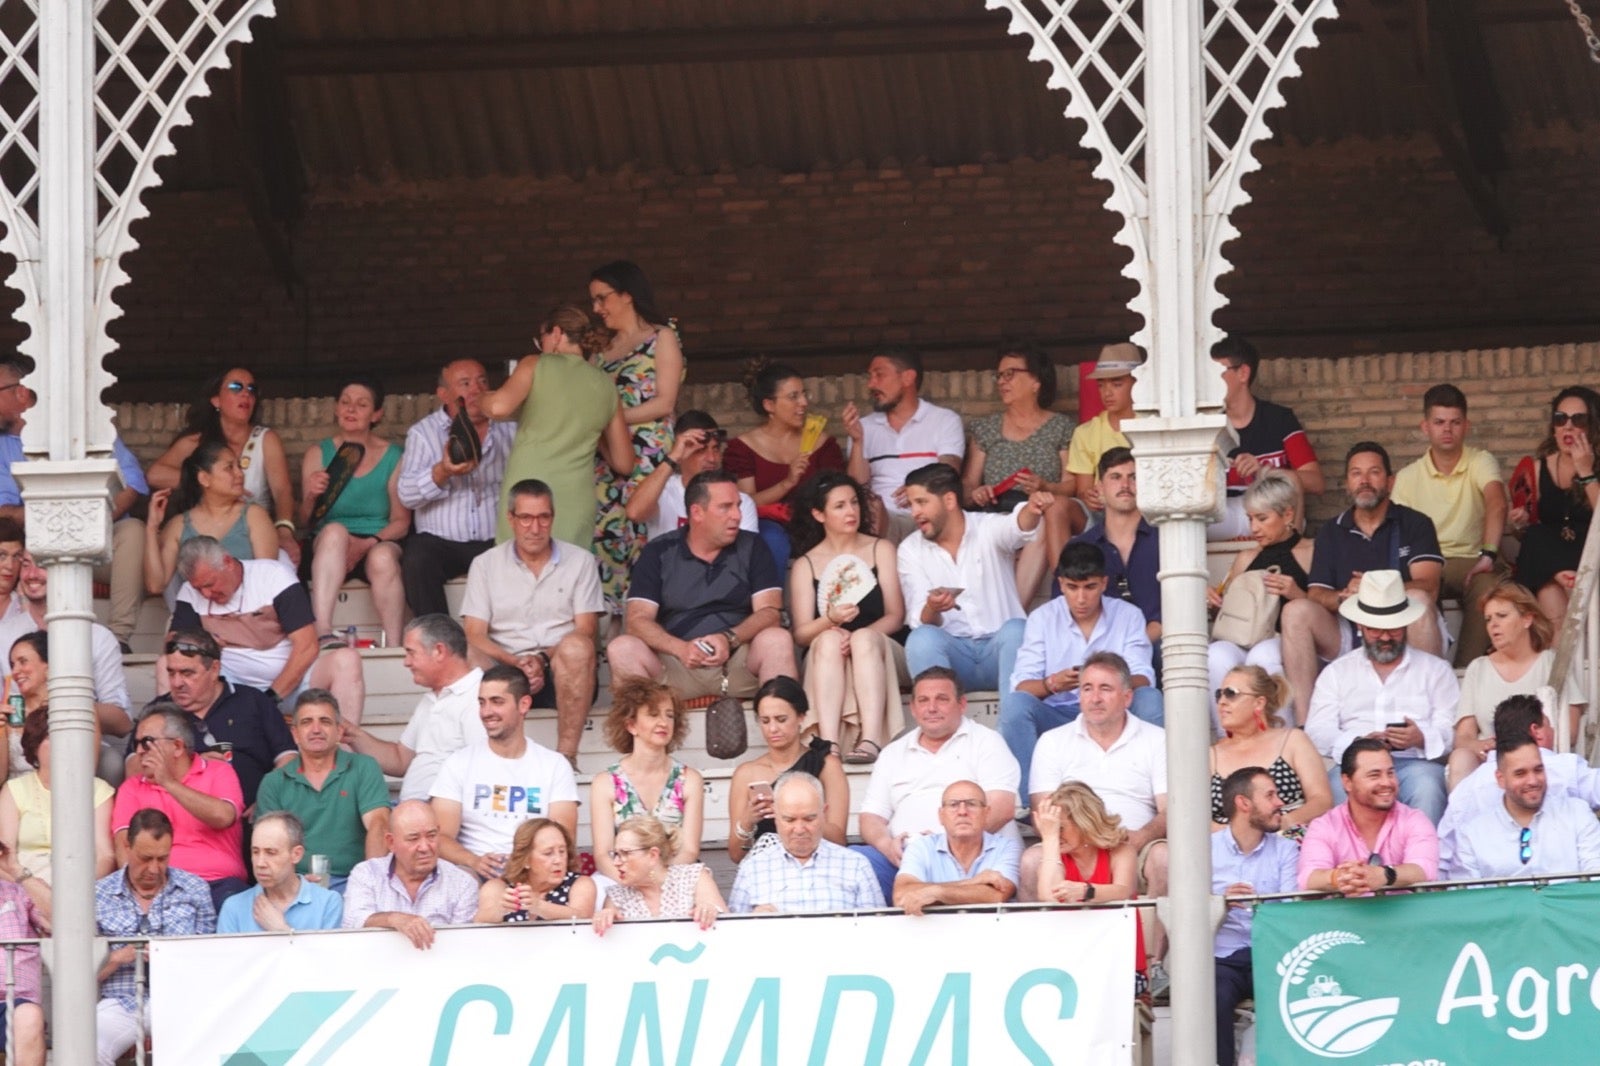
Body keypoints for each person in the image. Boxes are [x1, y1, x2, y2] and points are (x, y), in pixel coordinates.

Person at [1022, 652, 1169, 987]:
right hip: (1070, 841)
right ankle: (1040, 962)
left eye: (1105, 688)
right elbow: (1043, 809)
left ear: (1127, 696)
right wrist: (1078, 839)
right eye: (1087, 688)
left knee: (1164, 857)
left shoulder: (1155, 739)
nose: (1094, 697)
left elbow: (1169, 810)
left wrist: (1139, 837)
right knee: (1031, 860)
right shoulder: (1053, 741)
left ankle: (1152, 967)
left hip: (1134, 840)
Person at [1280, 442, 1445, 724]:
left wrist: (1372, 587)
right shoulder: (1332, 531)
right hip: (1351, 629)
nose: (1364, 481)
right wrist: (1342, 598)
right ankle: (1306, 725)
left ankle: (1424, 720)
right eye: (1356, 474)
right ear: (1347, 483)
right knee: (1295, 610)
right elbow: (1316, 592)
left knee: (1418, 599)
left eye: (1374, 473)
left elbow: (1428, 585)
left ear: (1390, 481)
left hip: (1405, 628)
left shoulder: (1415, 523)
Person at [607, 471, 797, 700]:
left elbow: (770, 613)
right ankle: (639, 734)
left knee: (777, 639)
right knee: (622, 647)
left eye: (738, 505)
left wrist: (728, 638)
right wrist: (680, 649)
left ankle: (781, 724)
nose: (737, 515)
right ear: (697, 512)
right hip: (676, 666)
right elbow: (637, 622)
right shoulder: (659, 552)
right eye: (726, 507)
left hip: (738, 663)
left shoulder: (753, 546)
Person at [461, 478, 602, 767]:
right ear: (511, 519)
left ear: (553, 517)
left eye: (543, 518)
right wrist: (515, 662)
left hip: (560, 670)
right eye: (525, 518)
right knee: (464, 651)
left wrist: (540, 659)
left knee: (577, 646)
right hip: (504, 671)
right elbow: (474, 633)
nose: (535, 528)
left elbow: (587, 629)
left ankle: (566, 759)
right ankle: (486, 759)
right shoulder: (485, 564)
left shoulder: (581, 561)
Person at [1002, 542, 1162, 789]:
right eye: (1072, 587)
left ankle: (1157, 789)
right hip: (1059, 714)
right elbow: (1022, 686)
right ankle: (1027, 801)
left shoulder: (1128, 614)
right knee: (1015, 705)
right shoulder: (1042, 618)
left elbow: (1143, 677)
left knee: (1149, 698)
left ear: (1104, 583)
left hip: (1114, 710)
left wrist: (1106, 684)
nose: (1081, 598)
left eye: (1090, 587)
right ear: (1061, 584)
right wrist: (1052, 684)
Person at [855, 667, 1021, 902]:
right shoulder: (893, 753)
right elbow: (870, 817)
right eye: (923, 700)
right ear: (912, 708)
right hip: (905, 859)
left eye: (942, 699)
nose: (931, 708)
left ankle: (944, 890)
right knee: (857, 859)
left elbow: (1002, 808)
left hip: (972, 856)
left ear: (962, 704)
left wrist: (945, 844)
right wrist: (886, 845)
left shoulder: (987, 741)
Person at [1304, 570, 1457, 824]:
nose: (1385, 637)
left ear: (1406, 625)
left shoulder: (1436, 671)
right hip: (1357, 766)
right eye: (1376, 630)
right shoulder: (1337, 672)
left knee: (1429, 787)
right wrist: (1357, 743)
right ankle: (1353, 863)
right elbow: (1317, 731)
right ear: (1361, 626)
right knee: (1339, 785)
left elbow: (1452, 730)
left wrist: (1421, 737)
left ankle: (1422, 863)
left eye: (1393, 629)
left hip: (1415, 766)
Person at [171, 536, 366, 726]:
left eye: (209, 584)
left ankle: (346, 750)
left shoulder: (273, 576)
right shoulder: (189, 592)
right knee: (167, 663)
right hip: (230, 690)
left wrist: (269, 700)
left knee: (347, 660)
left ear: (227, 562)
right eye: (199, 589)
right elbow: (173, 645)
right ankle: (178, 739)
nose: (206, 594)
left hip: (293, 688)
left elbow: (307, 646)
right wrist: (204, 643)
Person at [483, 305, 634, 548]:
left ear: (555, 334)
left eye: (540, 339)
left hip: (527, 495)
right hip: (575, 499)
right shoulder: (605, 385)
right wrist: (592, 429)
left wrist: (481, 398)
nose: (539, 346)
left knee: (518, 574)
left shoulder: (536, 364)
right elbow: (624, 462)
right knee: (568, 575)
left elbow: (499, 407)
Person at [787, 471, 907, 762]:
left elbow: (896, 615)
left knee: (864, 638)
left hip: (883, 645)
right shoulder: (806, 564)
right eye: (839, 506)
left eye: (854, 503)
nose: (851, 511)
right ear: (819, 514)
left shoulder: (881, 549)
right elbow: (802, 634)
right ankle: (829, 744)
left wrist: (855, 637)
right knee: (827, 640)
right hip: (828, 650)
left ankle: (871, 739)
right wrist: (830, 619)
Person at [898, 461, 1049, 691]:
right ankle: (938, 723)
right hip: (954, 662)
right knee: (922, 639)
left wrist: (1032, 508)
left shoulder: (987, 527)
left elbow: (1017, 527)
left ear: (949, 500)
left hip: (1000, 654)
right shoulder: (909, 549)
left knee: (1016, 630)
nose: (914, 513)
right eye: (911, 504)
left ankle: (1013, 724)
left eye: (921, 502)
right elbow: (921, 620)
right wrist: (932, 607)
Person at [589, 262, 684, 613]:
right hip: (606, 461)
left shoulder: (662, 336)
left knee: (647, 539)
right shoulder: (601, 351)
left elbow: (665, 401)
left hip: (649, 457)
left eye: (602, 298)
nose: (597, 309)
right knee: (607, 540)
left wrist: (611, 419)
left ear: (627, 294)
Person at [1391, 384, 1508, 665]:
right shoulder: (1407, 477)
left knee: (1489, 586)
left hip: (1471, 561)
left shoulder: (1481, 461)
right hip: (1425, 562)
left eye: (1455, 422)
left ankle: (1465, 671)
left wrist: (1488, 554)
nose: (1447, 429)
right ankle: (1430, 674)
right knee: (1413, 588)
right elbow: (1396, 531)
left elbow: (1497, 502)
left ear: (1466, 426)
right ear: (1425, 427)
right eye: (1439, 422)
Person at [429, 666, 579, 880]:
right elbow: (440, 837)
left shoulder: (554, 765)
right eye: (482, 702)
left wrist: (523, 867)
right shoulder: (458, 763)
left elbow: (563, 839)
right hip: (473, 873)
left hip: (535, 874)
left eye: (497, 702)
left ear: (524, 704)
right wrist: (475, 861)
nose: (486, 712)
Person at [95, 808, 215, 1066]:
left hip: (180, 999)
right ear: (126, 846)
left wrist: (174, 958)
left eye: (162, 859)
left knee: (203, 1044)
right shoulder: (99, 894)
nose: (154, 868)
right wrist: (118, 958)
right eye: (145, 857)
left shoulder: (195, 889)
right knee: (88, 1047)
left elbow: (210, 963)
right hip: (121, 1002)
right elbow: (82, 976)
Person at [397, 358, 516, 617]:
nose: (476, 389)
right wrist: (443, 471)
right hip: (441, 542)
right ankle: (438, 639)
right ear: (444, 394)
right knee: (417, 558)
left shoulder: (510, 429)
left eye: (482, 380)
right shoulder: (423, 433)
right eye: (465, 383)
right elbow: (406, 495)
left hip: (494, 540)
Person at [297, 375, 410, 648]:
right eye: (345, 403)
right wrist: (312, 494)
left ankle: (394, 646)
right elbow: (304, 520)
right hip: (330, 545)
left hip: (378, 538)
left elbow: (401, 522)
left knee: (383, 557)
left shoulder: (394, 455)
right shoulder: (318, 452)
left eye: (361, 404)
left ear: (376, 413)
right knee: (335, 531)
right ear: (336, 409)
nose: (351, 409)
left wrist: (368, 543)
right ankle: (323, 631)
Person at [146, 366, 299, 565]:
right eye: (236, 387)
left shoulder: (266, 439)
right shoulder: (196, 442)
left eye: (251, 389)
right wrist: (208, 480)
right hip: (203, 535)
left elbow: (283, 491)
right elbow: (155, 475)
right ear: (216, 400)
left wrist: (284, 530)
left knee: (284, 568)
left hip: (254, 533)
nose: (245, 393)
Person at [0, 552, 133, 779]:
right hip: (13, 741)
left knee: (111, 762)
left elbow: (123, 723)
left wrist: (63, 705)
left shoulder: (97, 637)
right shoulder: (4, 633)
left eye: (42, 565)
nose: (32, 574)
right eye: (26, 565)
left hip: (76, 739)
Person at [963, 343, 1079, 596]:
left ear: (1036, 380)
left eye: (1010, 374)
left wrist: (1045, 486)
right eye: (1000, 375)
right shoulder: (986, 429)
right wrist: (977, 493)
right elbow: (968, 484)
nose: (1002, 381)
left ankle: (1014, 612)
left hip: (1038, 511)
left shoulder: (1061, 427)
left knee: (1040, 526)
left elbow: (1072, 485)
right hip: (996, 513)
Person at [1439, 694, 1600, 872]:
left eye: (1538, 770)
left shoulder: (1464, 791)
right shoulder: (1565, 767)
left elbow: (1444, 860)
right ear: (1536, 731)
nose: (1532, 780)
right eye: (1520, 773)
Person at [1206, 469, 1315, 728]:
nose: (1254, 528)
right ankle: (1227, 736)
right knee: (1216, 655)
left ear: (1288, 514)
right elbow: (1227, 613)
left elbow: (1326, 609)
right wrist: (1212, 601)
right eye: (1250, 518)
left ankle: (1281, 736)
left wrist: (1296, 594)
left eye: (1262, 518)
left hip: (1287, 641)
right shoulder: (1246, 557)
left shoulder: (1311, 552)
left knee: (1263, 656)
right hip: (1243, 637)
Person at [1449, 581, 1582, 790]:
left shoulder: (1551, 662)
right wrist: (1481, 746)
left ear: (1527, 619)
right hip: (1490, 764)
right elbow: (1464, 737)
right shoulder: (1478, 667)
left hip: (1538, 763)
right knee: (1460, 758)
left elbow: (1570, 730)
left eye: (1501, 616)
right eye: (1488, 619)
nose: (1493, 624)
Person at [255, 690, 390, 893]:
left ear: (339, 731)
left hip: (353, 880)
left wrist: (371, 884)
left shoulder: (364, 767)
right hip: (294, 883)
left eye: (325, 721)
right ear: (295, 734)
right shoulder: (275, 781)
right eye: (307, 722)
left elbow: (379, 824)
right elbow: (269, 845)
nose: (316, 729)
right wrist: (292, 882)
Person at [113, 704, 246, 911]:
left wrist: (169, 783)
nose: (139, 751)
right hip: (159, 888)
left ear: (177, 746)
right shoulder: (132, 788)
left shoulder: (218, 771)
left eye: (146, 742)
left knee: (235, 908)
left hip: (219, 885)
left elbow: (223, 816)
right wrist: (138, 896)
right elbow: (124, 847)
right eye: (137, 744)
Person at [1211, 767, 1300, 1066]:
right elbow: (1187, 913)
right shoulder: (1204, 851)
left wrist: (1257, 905)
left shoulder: (1287, 849)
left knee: (1297, 991)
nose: (1280, 802)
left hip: (1273, 954)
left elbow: (1289, 912)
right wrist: (1220, 904)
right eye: (1270, 795)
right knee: (1213, 995)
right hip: (1224, 956)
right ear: (1243, 803)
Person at [150, 628, 295, 808]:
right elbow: (133, 769)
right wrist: (194, 765)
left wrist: (266, 801)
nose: (177, 683)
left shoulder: (252, 701)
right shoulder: (157, 713)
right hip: (178, 821)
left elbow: (288, 757)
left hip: (253, 818)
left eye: (187, 673)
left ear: (214, 670)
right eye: (171, 673)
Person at [725, 360, 848, 574]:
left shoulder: (822, 443)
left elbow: (839, 490)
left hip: (815, 520)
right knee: (771, 538)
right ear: (769, 405)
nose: (803, 403)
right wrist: (787, 483)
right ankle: (772, 605)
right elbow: (745, 503)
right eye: (793, 397)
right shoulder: (743, 447)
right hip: (770, 523)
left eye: (804, 394)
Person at [345, 614, 484, 802]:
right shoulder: (432, 698)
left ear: (439, 651)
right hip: (414, 817)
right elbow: (401, 760)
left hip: (440, 820)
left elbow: (482, 775)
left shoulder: (480, 697)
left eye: (411, 652)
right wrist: (352, 734)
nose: (406, 662)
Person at [1032, 781, 1148, 994]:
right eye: (1050, 828)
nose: (1055, 834)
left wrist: (1086, 891)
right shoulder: (1054, 855)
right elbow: (1048, 895)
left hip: (1120, 965)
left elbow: (1123, 889)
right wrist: (1049, 840)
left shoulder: (1120, 851)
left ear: (1084, 822)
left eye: (1059, 828)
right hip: (1071, 966)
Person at [843, 348, 965, 542]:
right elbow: (858, 486)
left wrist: (915, 489)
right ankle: (877, 566)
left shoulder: (944, 420)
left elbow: (948, 470)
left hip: (930, 513)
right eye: (870, 376)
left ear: (908, 378)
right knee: (869, 505)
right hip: (883, 519)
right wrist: (858, 442)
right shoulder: (863, 427)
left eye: (879, 375)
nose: (870, 384)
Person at [590, 676, 704, 880]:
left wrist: (657, 881)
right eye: (653, 715)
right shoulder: (605, 783)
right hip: (621, 879)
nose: (664, 722)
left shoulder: (690, 779)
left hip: (675, 878)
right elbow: (603, 854)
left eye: (669, 715)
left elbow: (689, 851)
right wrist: (632, 880)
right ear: (631, 725)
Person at [1210, 335, 1324, 540]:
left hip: (1273, 512)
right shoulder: (1207, 424)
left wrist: (1265, 471)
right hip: (1227, 517)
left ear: (1243, 373)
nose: (1209, 381)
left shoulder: (1279, 419)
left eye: (1216, 372)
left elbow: (1316, 482)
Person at [727, 677, 848, 864]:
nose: (773, 728)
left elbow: (839, 839)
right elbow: (736, 855)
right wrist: (748, 821)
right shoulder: (746, 773)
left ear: (801, 717)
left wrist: (797, 817)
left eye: (781, 719)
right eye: (765, 721)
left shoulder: (825, 764)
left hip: (820, 865)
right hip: (766, 869)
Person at [1509, 385, 1600, 630]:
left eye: (1578, 419)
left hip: (1591, 555)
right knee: (1537, 539)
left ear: (1592, 426)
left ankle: (1562, 575)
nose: (1568, 427)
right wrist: (1520, 522)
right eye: (1560, 419)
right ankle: (1560, 574)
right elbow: (1523, 534)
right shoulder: (1537, 469)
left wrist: (1586, 472)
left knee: (1548, 580)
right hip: (1550, 560)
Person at [1298, 739, 1440, 895]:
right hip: (1345, 917)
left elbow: (1425, 870)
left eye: (1390, 773)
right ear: (1347, 783)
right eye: (1374, 775)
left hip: (1405, 917)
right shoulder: (1324, 826)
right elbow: (1309, 878)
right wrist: (1340, 877)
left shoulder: (1415, 820)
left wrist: (1386, 875)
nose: (1386, 782)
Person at [729, 771, 883, 914]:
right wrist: (753, 924)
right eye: (789, 820)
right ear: (775, 815)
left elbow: (879, 930)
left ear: (824, 813)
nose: (799, 829)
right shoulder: (752, 869)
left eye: (809, 819)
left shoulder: (855, 865)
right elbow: (732, 935)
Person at [143, 438, 277, 596]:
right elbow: (155, 585)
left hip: (248, 612)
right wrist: (151, 528)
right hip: (196, 616)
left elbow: (267, 578)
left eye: (239, 466)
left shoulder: (254, 516)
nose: (239, 473)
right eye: (229, 468)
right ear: (204, 479)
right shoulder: (179, 525)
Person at [342, 799, 479, 949]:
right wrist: (393, 919)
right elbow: (353, 921)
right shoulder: (367, 873)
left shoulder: (462, 883)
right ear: (391, 842)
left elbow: (461, 946)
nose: (425, 847)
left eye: (432, 836)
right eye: (413, 839)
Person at [1210, 667, 1331, 834]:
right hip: (1228, 848)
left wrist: (1281, 825)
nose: (1222, 701)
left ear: (1259, 702)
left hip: (1288, 839)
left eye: (1231, 693)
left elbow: (1321, 800)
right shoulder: (1211, 756)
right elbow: (1196, 816)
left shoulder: (1293, 740)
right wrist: (1235, 836)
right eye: (1219, 694)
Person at [0, 708, 115, 883]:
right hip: (25, 885)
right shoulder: (14, 789)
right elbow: (7, 857)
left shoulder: (98, 790)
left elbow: (105, 855)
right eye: (50, 736)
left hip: (81, 886)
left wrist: (81, 893)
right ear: (35, 745)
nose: (62, 743)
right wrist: (29, 887)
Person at [3, 627, 129, 786]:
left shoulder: (80, 709)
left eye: (23, 662)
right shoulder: (12, 712)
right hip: (17, 799)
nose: (15, 671)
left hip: (67, 794)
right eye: (12, 664)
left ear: (49, 665)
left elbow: (87, 772)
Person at [625, 409, 757, 541]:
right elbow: (634, 513)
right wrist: (673, 457)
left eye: (716, 449)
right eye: (701, 450)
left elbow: (743, 556)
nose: (712, 458)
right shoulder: (663, 492)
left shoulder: (740, 502)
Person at [893, 779, 1022, 915]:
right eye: (953, 805)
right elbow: (901, 896)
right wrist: (972, 883)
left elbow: (995, 896)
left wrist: (937, 892)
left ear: (986, 813)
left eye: (971, 804)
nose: (962, 811)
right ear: (941, 816)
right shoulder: (921, 847)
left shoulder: (1007, 847)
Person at [1070, 447, 1161, 638]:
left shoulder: (1166, 540)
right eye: (1115, 477)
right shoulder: (1080, 548)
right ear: (1099, 488)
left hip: (1158, 646)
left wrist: (1136, 644)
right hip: (1100, 651)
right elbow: (1064, 612)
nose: (1125, 484)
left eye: (1134, 477)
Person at [591, 814, 725, 935]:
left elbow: (728, 928)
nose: (616, 862)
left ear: (653, 855)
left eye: (625, 853)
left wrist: (710, 910)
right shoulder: (616, 896)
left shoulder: (694, 877)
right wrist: (605, 920)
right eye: (616, 854)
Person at [216, 811, 343, 933]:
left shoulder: (328, 903)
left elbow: (327, 956)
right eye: (255, 852)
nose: (260, 863)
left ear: (296, 855)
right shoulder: (233, 907)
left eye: (270, 853)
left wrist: (281, 930)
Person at [473, 818, 597, 923]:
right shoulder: (499, 886)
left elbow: (582, 916)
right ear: (525, 860)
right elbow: (479, 925)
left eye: (562, 851)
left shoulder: (580, 883)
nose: (558, 860)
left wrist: (539, 906)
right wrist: (501, 909)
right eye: (548, 853)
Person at [1067, 343, 1143, 514]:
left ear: (1137, 383)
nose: (1107, 393)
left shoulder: (1151, 426)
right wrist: (1089, 496)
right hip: (1103, 513)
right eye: (1101, 385)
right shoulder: (1085, 433)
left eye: (1116, 384)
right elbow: (1083, 490)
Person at [0, 834, 48, 1066]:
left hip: (13, 1005)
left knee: (29, 1016)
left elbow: (66, 922)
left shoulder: (18, 892)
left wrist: (16, 871)